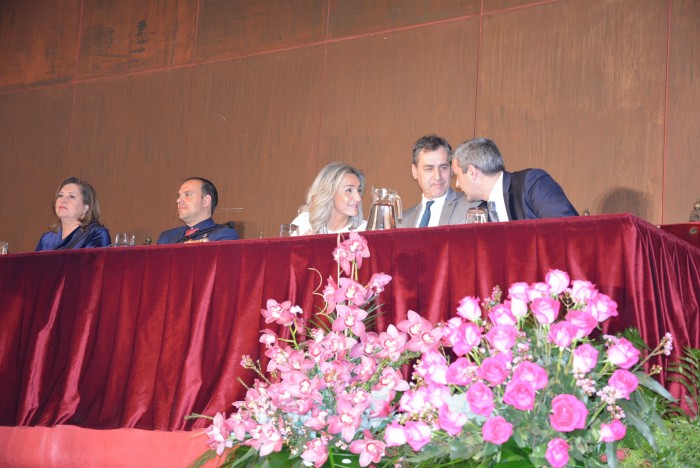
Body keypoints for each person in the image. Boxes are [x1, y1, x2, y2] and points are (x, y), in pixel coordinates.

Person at [451, 137, 579, 221]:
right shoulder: (480, 213)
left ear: (472, 172)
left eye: (457, 175)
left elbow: (565, 230)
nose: (457, 184)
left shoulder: (531, 183)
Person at [398, 134, 477, 228]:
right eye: (429, 169)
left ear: (452, 169)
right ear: (415, 171)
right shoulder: (401, 222)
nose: (437, 176)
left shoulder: (473, 208)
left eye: (443, 168)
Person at [36, 177, 111, 251]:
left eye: (71, 196)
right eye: (60, 195)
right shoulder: (46, 239)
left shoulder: (96, 234)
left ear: (85, 208)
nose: (63, 200)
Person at [291, 162, 366, 235]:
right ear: (329, 192)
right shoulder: (304, 223)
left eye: (359, 190)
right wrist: (301, 246)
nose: (358, 198)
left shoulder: (365, 230)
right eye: (349, 190)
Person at [157, 177, 239, 244]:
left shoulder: (223, 234)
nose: (178, 200)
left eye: (187, 195)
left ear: (206, 201)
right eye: (179, 196)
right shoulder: (167, 237)